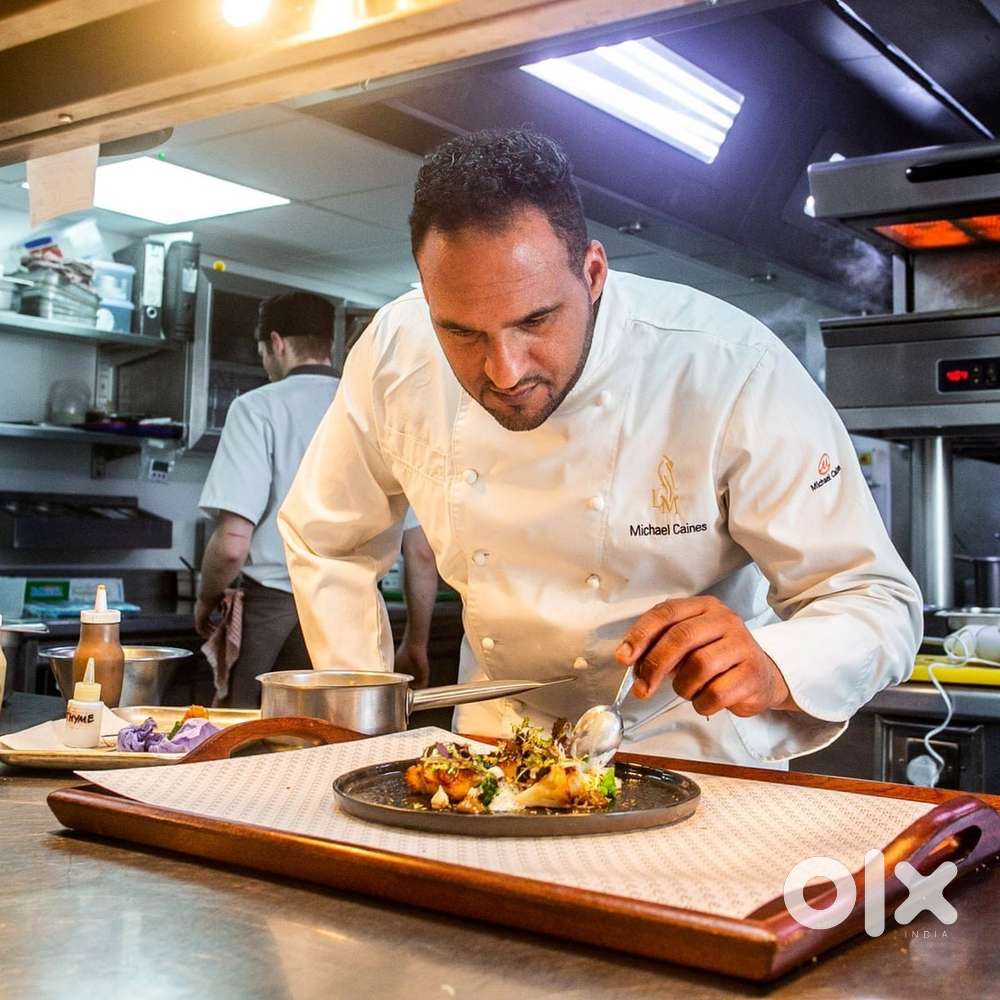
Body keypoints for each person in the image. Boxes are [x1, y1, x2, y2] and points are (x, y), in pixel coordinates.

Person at [278, 128, 922, 766]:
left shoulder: (731, 367)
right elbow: (328, 538)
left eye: (535, 321)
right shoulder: (395, 351)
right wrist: (358, 727)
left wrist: (776, 663)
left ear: (592, 273)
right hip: (491, 746)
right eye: (461, 332)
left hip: (691, 745)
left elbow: (873, 599)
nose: (504, 371)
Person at [196, 290, 339, 706]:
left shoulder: (256, 408)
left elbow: (232, 543)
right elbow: (419, 549)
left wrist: (206, 598)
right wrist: (415, 639)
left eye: (262, 351)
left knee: (250, 731)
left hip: (272, 607)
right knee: (334, 728)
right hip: (351, 610)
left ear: (276, 343)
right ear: (329, 344)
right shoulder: (370, 411)